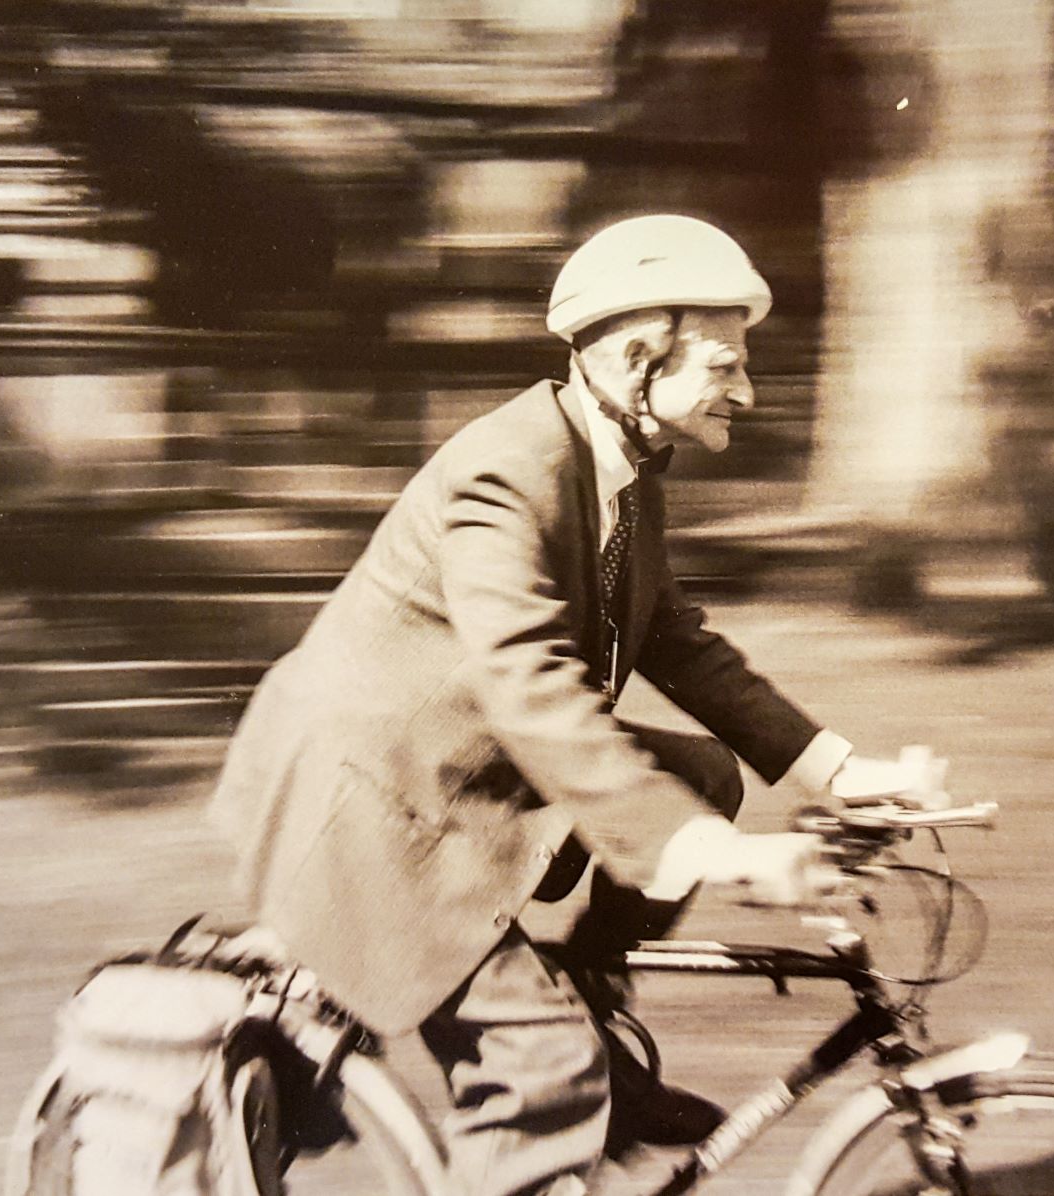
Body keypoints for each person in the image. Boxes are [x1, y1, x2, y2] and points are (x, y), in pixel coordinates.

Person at [208, 214, 936, 1196]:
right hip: (377, 808)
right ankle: (566, 1071)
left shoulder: (622, 471)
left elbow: (678, 642)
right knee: (539, 1069)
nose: (749, 391)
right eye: (724, 364)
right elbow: (530, 684)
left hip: (460, 765)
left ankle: (596, 1027)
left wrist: (846, 774)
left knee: (702, 774)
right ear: (641, 360)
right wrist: (715, 853)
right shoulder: (505, 473)